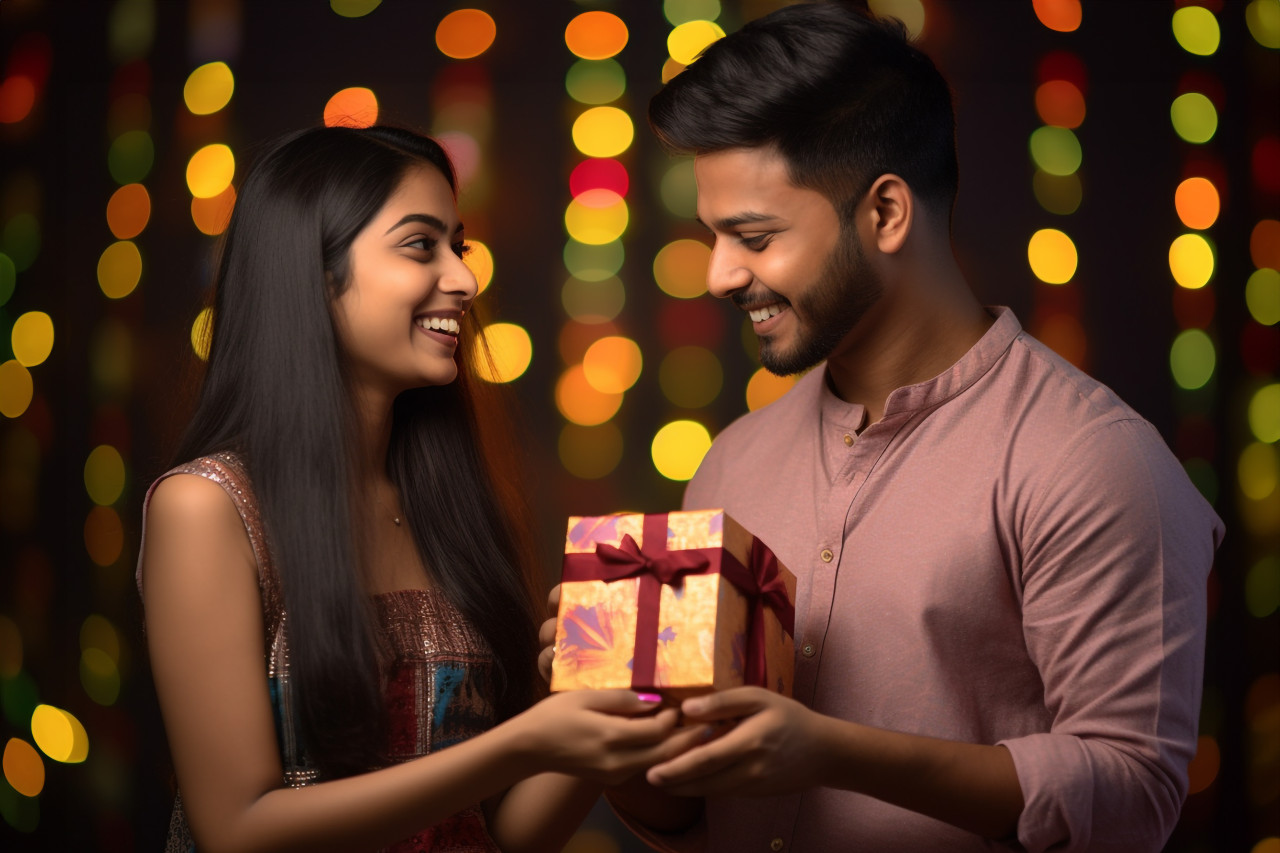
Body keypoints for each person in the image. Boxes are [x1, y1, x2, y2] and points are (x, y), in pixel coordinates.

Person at [538, 3, 1223, 851]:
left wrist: (832, 752)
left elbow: (1132, 798)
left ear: (887, 213)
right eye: (712, 234)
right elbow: (696, 813)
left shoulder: (1092, 460)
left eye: (753, 235)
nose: (718, 274)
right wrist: (613, 717)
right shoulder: (731, 462)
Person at [137, 125, 701, 853]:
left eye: (457, 246)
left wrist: (596, 697)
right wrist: (526, 742)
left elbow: (500, 835)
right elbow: (238, 829)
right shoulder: (207, 506)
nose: (465, 279)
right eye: (420, 245)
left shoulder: (448, 505)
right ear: (311, 273)